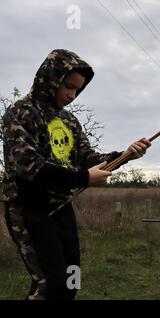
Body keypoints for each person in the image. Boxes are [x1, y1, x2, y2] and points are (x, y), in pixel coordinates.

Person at [2, 49, 151, 300]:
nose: (72, 95)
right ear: (50, 79)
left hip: (61, 206)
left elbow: (87, 160)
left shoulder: (69, 120)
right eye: (68, 87)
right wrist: (83, 179)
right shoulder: (19, 113)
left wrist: (124, 155)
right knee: (50, 285)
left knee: (71, 280)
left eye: (77, 90)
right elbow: (30, 166)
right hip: (28, 207)